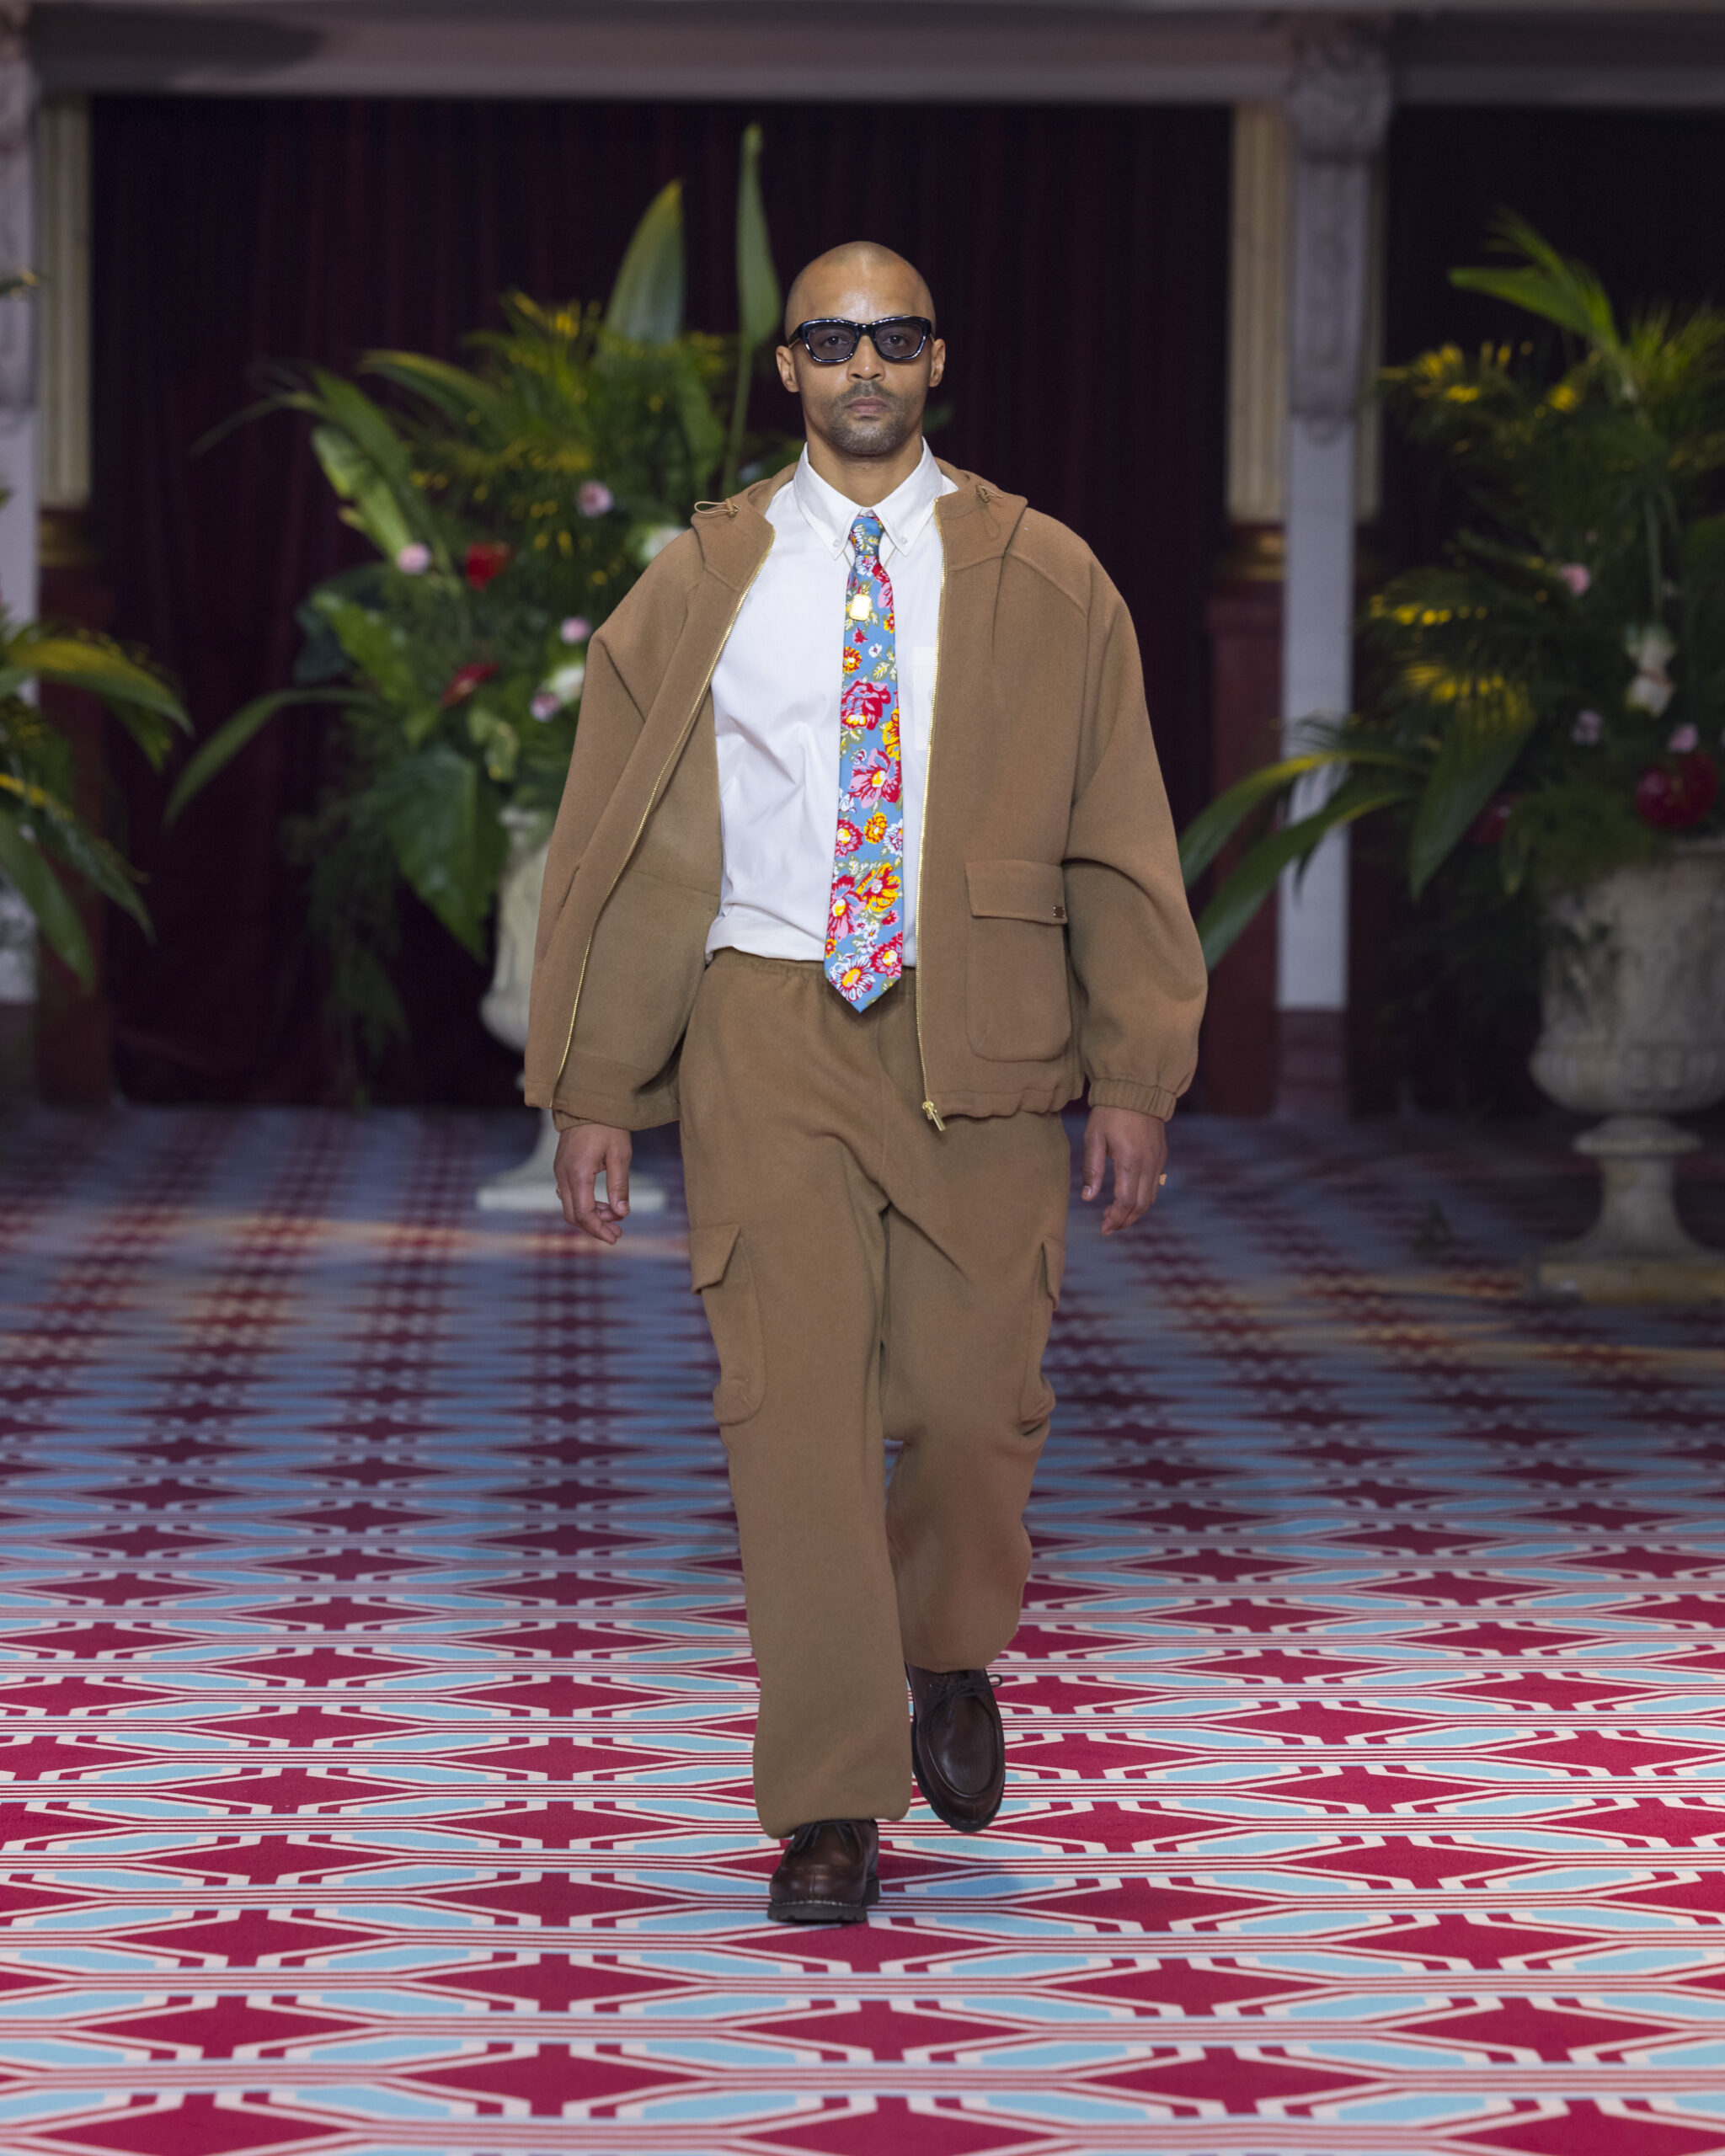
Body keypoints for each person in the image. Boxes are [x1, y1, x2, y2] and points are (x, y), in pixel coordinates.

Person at [526, 241, 1205, 1924]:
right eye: (831, 340)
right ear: (787, 369)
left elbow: (1119, 830)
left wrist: (1136, 1064)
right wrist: (597, 1081)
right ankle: (830, 1798)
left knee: (976, 1406)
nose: (864, 366)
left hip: (981, 1025)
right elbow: (615, 841)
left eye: (894, 337)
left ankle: (945, 1647)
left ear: (936, 359)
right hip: (764, 1021)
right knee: (793, 1418)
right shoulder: (703, 578)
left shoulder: (1047, 575)